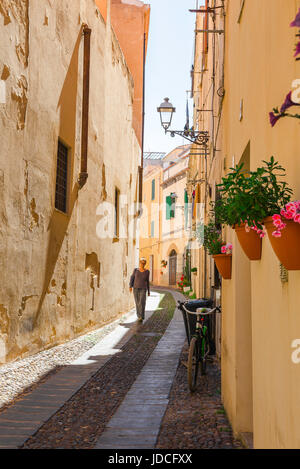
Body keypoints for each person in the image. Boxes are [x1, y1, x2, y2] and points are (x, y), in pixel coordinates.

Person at [129, 258, 150, 322]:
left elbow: (147, 281)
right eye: (141, 262)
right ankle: (139, 316)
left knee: (142, 302)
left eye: (143, 263)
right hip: (135, 288)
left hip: (143, 289)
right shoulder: (136, 270)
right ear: (139, 263)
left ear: (145, 264)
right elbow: (132, 278)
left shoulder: (147, 271)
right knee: (137, 302)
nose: (142, 264)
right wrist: (130, 286)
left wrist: (149, 291)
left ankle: (142, 316)